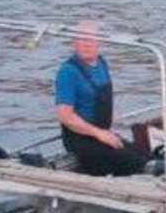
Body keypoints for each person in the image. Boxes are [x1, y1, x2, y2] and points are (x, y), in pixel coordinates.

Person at [54, 23, 147, 176]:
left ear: (99, 42)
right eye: (81, 40)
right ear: (74, 43)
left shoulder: (102, 63)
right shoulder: (68, 72)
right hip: (81, 140)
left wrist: (106, 132)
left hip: (103, 133)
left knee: (142, 154)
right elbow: (65, 116)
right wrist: (98, 133)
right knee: (137, 164)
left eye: (91, 40)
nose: (86, 44)